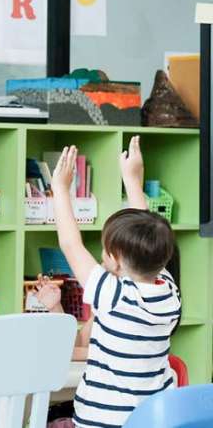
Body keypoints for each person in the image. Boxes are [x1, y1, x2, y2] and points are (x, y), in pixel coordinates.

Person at [51, 136, 181, 428]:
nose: (101, 257)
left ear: (118, 261)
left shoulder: (114, 295)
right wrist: (133, 181)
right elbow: (148, 233)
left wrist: (60, 189)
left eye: (105, 251)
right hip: (152, 420)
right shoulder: (168, 290)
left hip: (103, 421)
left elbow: (71, 244)